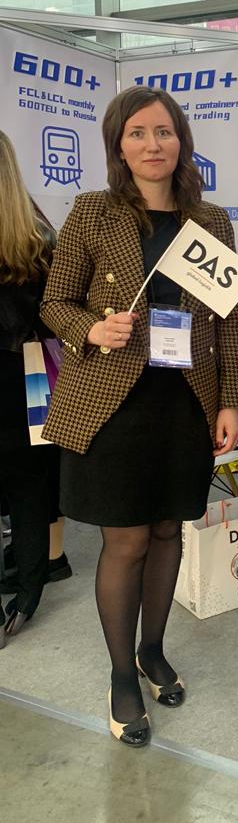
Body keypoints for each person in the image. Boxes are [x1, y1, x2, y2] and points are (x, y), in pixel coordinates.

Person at [40, 86, 238, 745]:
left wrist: (231, 400)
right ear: (118, 145)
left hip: (184, 400)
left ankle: (153, 650)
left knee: (167, 532)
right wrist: (92, 329)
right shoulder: (93, 212)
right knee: (126, 541)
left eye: (164, 131)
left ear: (182, 141)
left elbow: (229, 319)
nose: (152, 144)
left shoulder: (210, 221)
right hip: (112, 403)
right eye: (137, 133)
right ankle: (121, 675)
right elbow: (55, 301)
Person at [0, 132, 60, 645]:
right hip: (30, 375)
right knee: (30, 486)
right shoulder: (38, 233)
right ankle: (27, 597)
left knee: (26, 487)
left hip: (26, 371)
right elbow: (54, 314)